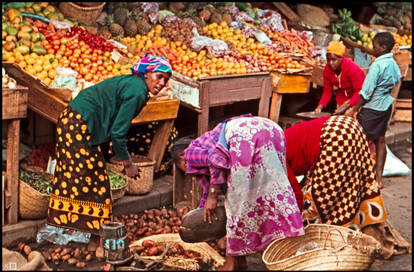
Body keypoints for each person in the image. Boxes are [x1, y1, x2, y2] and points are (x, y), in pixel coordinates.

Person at [46, 55, 172, 253]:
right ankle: (93, 239)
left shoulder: (135, 85)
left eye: (166, 80)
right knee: (95, 183)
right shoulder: (138, 91)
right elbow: (118, 133)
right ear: (147, 74)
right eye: (159, 77)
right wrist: (128, 164)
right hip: (78, 126)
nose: (162, 83)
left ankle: (78, 232)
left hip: (73, 122)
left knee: (78, 178)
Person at [171, 114, 304, 271]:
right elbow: (207, 197)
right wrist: (203, 223)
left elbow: (215, 158)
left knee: (237, 203)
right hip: (272, 130)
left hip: (245, 135)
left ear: (182, 160)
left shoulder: (190, 153)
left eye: (184, 169)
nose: (188, 173)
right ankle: (245, 259)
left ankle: (230, 263)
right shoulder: (210, 154)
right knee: (267, 193)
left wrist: (213, 196)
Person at [284, 115, 410, 258]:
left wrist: (294, 226)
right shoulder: (275, 141)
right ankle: (372, 236)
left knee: (317, 203)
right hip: (347, 126)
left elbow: (294, 194)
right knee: (354, 192)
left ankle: (333, 244)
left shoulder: (273, 160)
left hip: (336, 136)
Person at [348, 32, 401, 189]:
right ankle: (378, 177)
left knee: (360, 140)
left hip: (372, 108)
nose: (373, 49)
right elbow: (397, 80)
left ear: (383, 48)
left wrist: (356, 108)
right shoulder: (393, 64)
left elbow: (366, 91)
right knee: (380, 140)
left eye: (375, 46)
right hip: (385, 106)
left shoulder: (377, 65)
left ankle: (358, 177)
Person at [314, 41, 366, 116]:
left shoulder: (351, 68)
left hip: (358, 97)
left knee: (349, 119)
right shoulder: (327, 70)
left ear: (341, 58)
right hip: (342, 97)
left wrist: (346, 106)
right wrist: (320, 106)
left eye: (333, 59)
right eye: (328, 59)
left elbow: (358, 91)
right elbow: (327, 91)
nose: (330, 63)